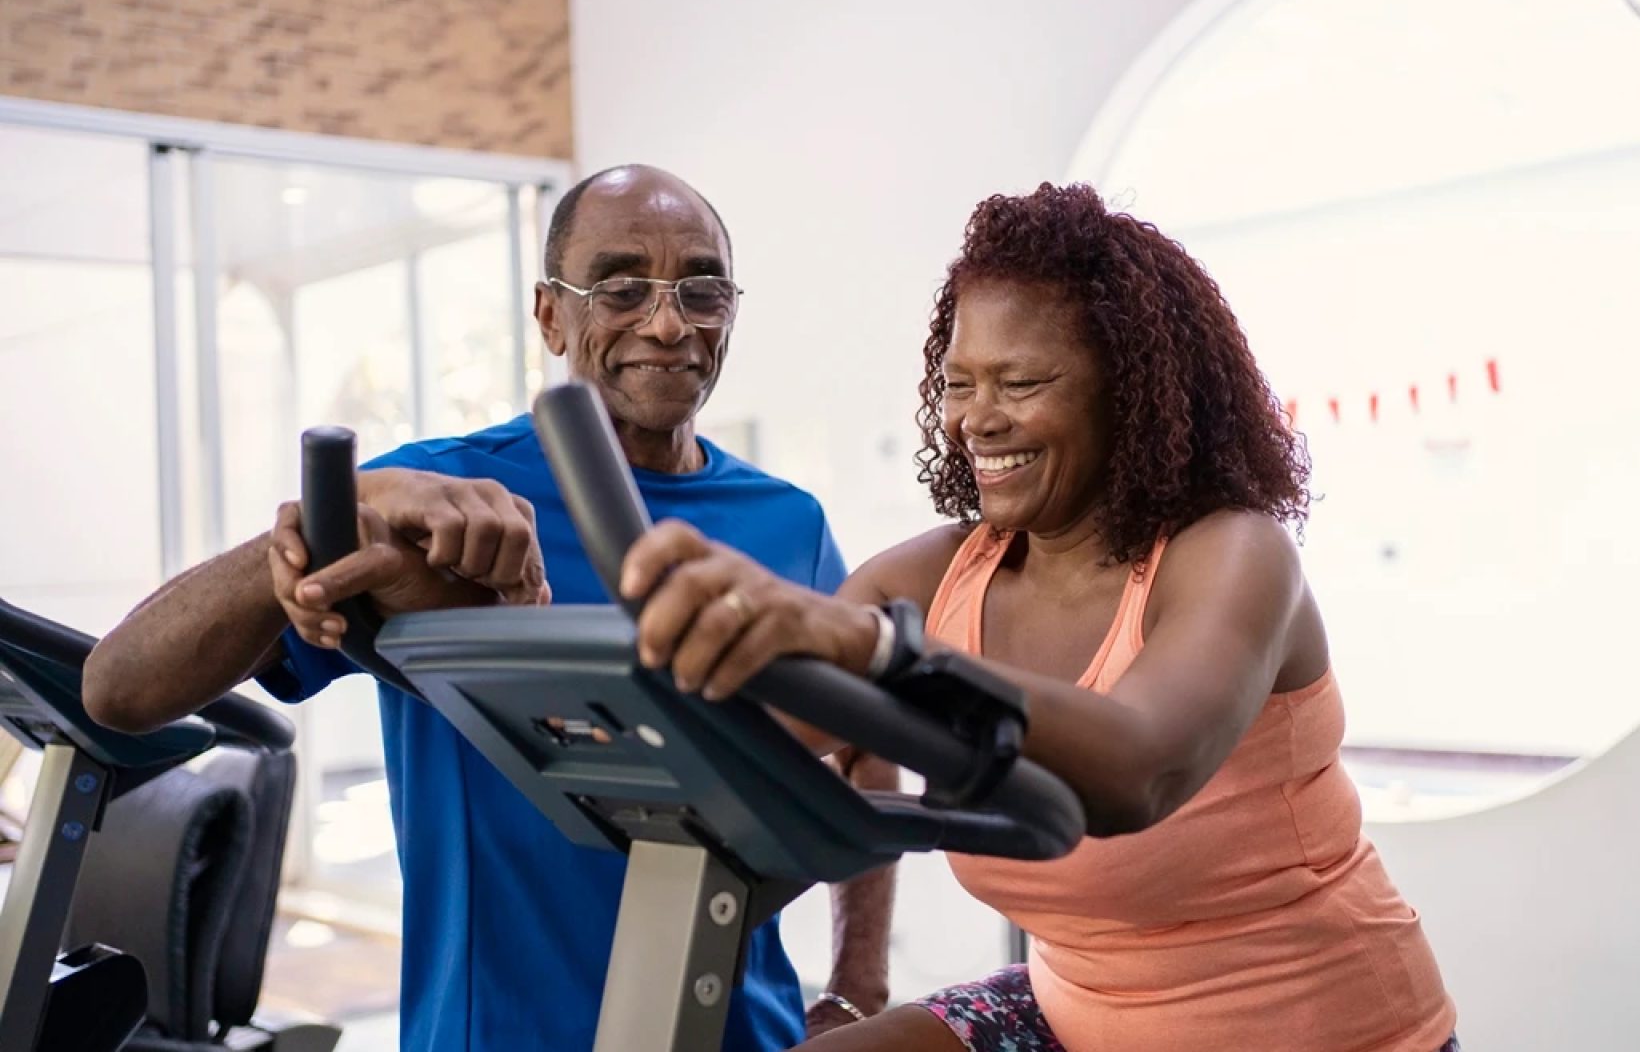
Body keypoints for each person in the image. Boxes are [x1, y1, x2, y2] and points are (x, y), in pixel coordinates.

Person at [604, 182, 1460, 1051]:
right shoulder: (934, 577)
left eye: (1020, 383)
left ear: (1130, 393)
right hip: (1079, 1010)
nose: (978, 420)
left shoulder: (1234, 554)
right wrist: (582, 649)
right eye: (959, 384)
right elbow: (721, 747)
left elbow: (1141, 770)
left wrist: (880, 653)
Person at [81, 165, 896, 1052]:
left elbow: (864, 742)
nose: (668, 324)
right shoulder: (433, 498)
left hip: (747, 1033)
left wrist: (858, 987)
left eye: (701, 290)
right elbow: (119, 688)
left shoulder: (789, 522)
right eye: (621, 289)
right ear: (550, 316)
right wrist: (335, 510)